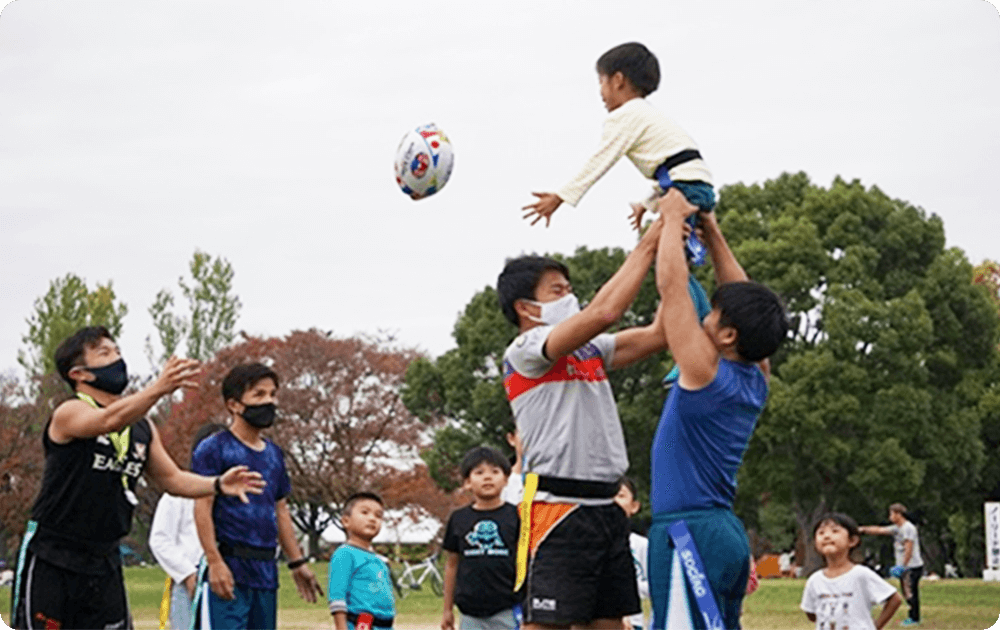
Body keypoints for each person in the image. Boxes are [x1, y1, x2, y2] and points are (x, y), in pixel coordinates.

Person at [9, 326, 265, 630]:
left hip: (104, 559)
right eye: (104, 353)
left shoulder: (141, 426)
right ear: (81, 374)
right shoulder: (69, 411)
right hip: (54, 556)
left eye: (118, 351)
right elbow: (108, 420)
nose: (117, 358)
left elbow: (171, 478)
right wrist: (159, 388)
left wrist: (218, 484)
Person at [498, 213, 671, 629]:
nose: (568, 297)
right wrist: (649, 242)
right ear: (526, 307)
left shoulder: (590, 350)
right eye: (557, 291)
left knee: (610, 624)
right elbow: (606, 311)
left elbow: (661, 332)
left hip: (608, 510)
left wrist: (673, 252)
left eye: (569, 289)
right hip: (558, 510)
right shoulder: (525, 349)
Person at [522, 41, 716, 385]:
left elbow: (601, 160)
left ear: (619, 80)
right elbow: (672, 163)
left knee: (672, 276)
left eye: (601, 81)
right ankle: (692, 342)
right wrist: (649, 203)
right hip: (691, 184)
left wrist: (562, 197)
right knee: (680, 272)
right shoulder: (646, 114)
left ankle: (692, 350)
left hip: (684, 188)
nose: (600, 91)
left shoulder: (624, 117)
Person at [647, 190, 788, 629]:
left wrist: (671, 221)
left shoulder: (705, 373)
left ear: (728, 336)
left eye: (714, 316)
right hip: (723, 534)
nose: (705, 317)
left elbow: (672, 291)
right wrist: (713, 232)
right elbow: (738, 293)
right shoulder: (756, 376)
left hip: (687, 534)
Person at [192, 362, 324, 628]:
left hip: (265, 572)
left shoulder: (274, 455)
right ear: (234, 404)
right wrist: (215, 562)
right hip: (229, 569)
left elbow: (281, 510)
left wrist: (297, 562)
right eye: (259, 395)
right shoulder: (213, 448)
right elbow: (201, 507)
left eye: (273, 394)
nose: (269, 401)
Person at [150, 422, 227, 630]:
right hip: (190, 585)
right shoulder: (178, 495)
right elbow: (160, 539)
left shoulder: (237, 496)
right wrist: (187, 574)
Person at [442, 446, 522, 630]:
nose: (487, 477)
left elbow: (525, 563)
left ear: (506, 480)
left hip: (508, 609)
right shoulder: (459, 519)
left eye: (495, 472)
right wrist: (447, 609)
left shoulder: (517, 516)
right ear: (467, 482)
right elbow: (452, 564)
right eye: (479, 472)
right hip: (470, 613)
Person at [801, 513, 902, 630]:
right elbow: (811, 612)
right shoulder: (815, 580)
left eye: (835, 531)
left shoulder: (860, 574)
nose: (827, 536)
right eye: (821, 533)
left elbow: (894, 599)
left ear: (852, 541)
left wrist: (876, 626)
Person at [328, 492, 396, 630]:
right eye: (365, 512)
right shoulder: (345, 554)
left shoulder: (379, 560)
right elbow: (337, 597)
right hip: (360, 625)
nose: (372, 519)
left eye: (378, 515)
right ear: (346, 521)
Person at [860, 503, 924, 626]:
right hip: (906, 567)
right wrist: (862, 529)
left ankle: (914, 618)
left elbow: (909, 548)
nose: (890, 517)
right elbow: (879, 530)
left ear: (898, 514)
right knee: (907, 593)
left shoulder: (908, 528)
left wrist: (903, 566)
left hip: (912, 566)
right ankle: (913, 616)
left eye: (891, 514)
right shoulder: (897, 528)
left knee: (910, 593)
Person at [614, 477, 649, 630]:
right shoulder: (590, 544)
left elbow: (654, 585)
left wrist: (630, 586)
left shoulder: (642, 544)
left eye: (621, 496)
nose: (614, 501)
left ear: (634, 506)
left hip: (635, 623)